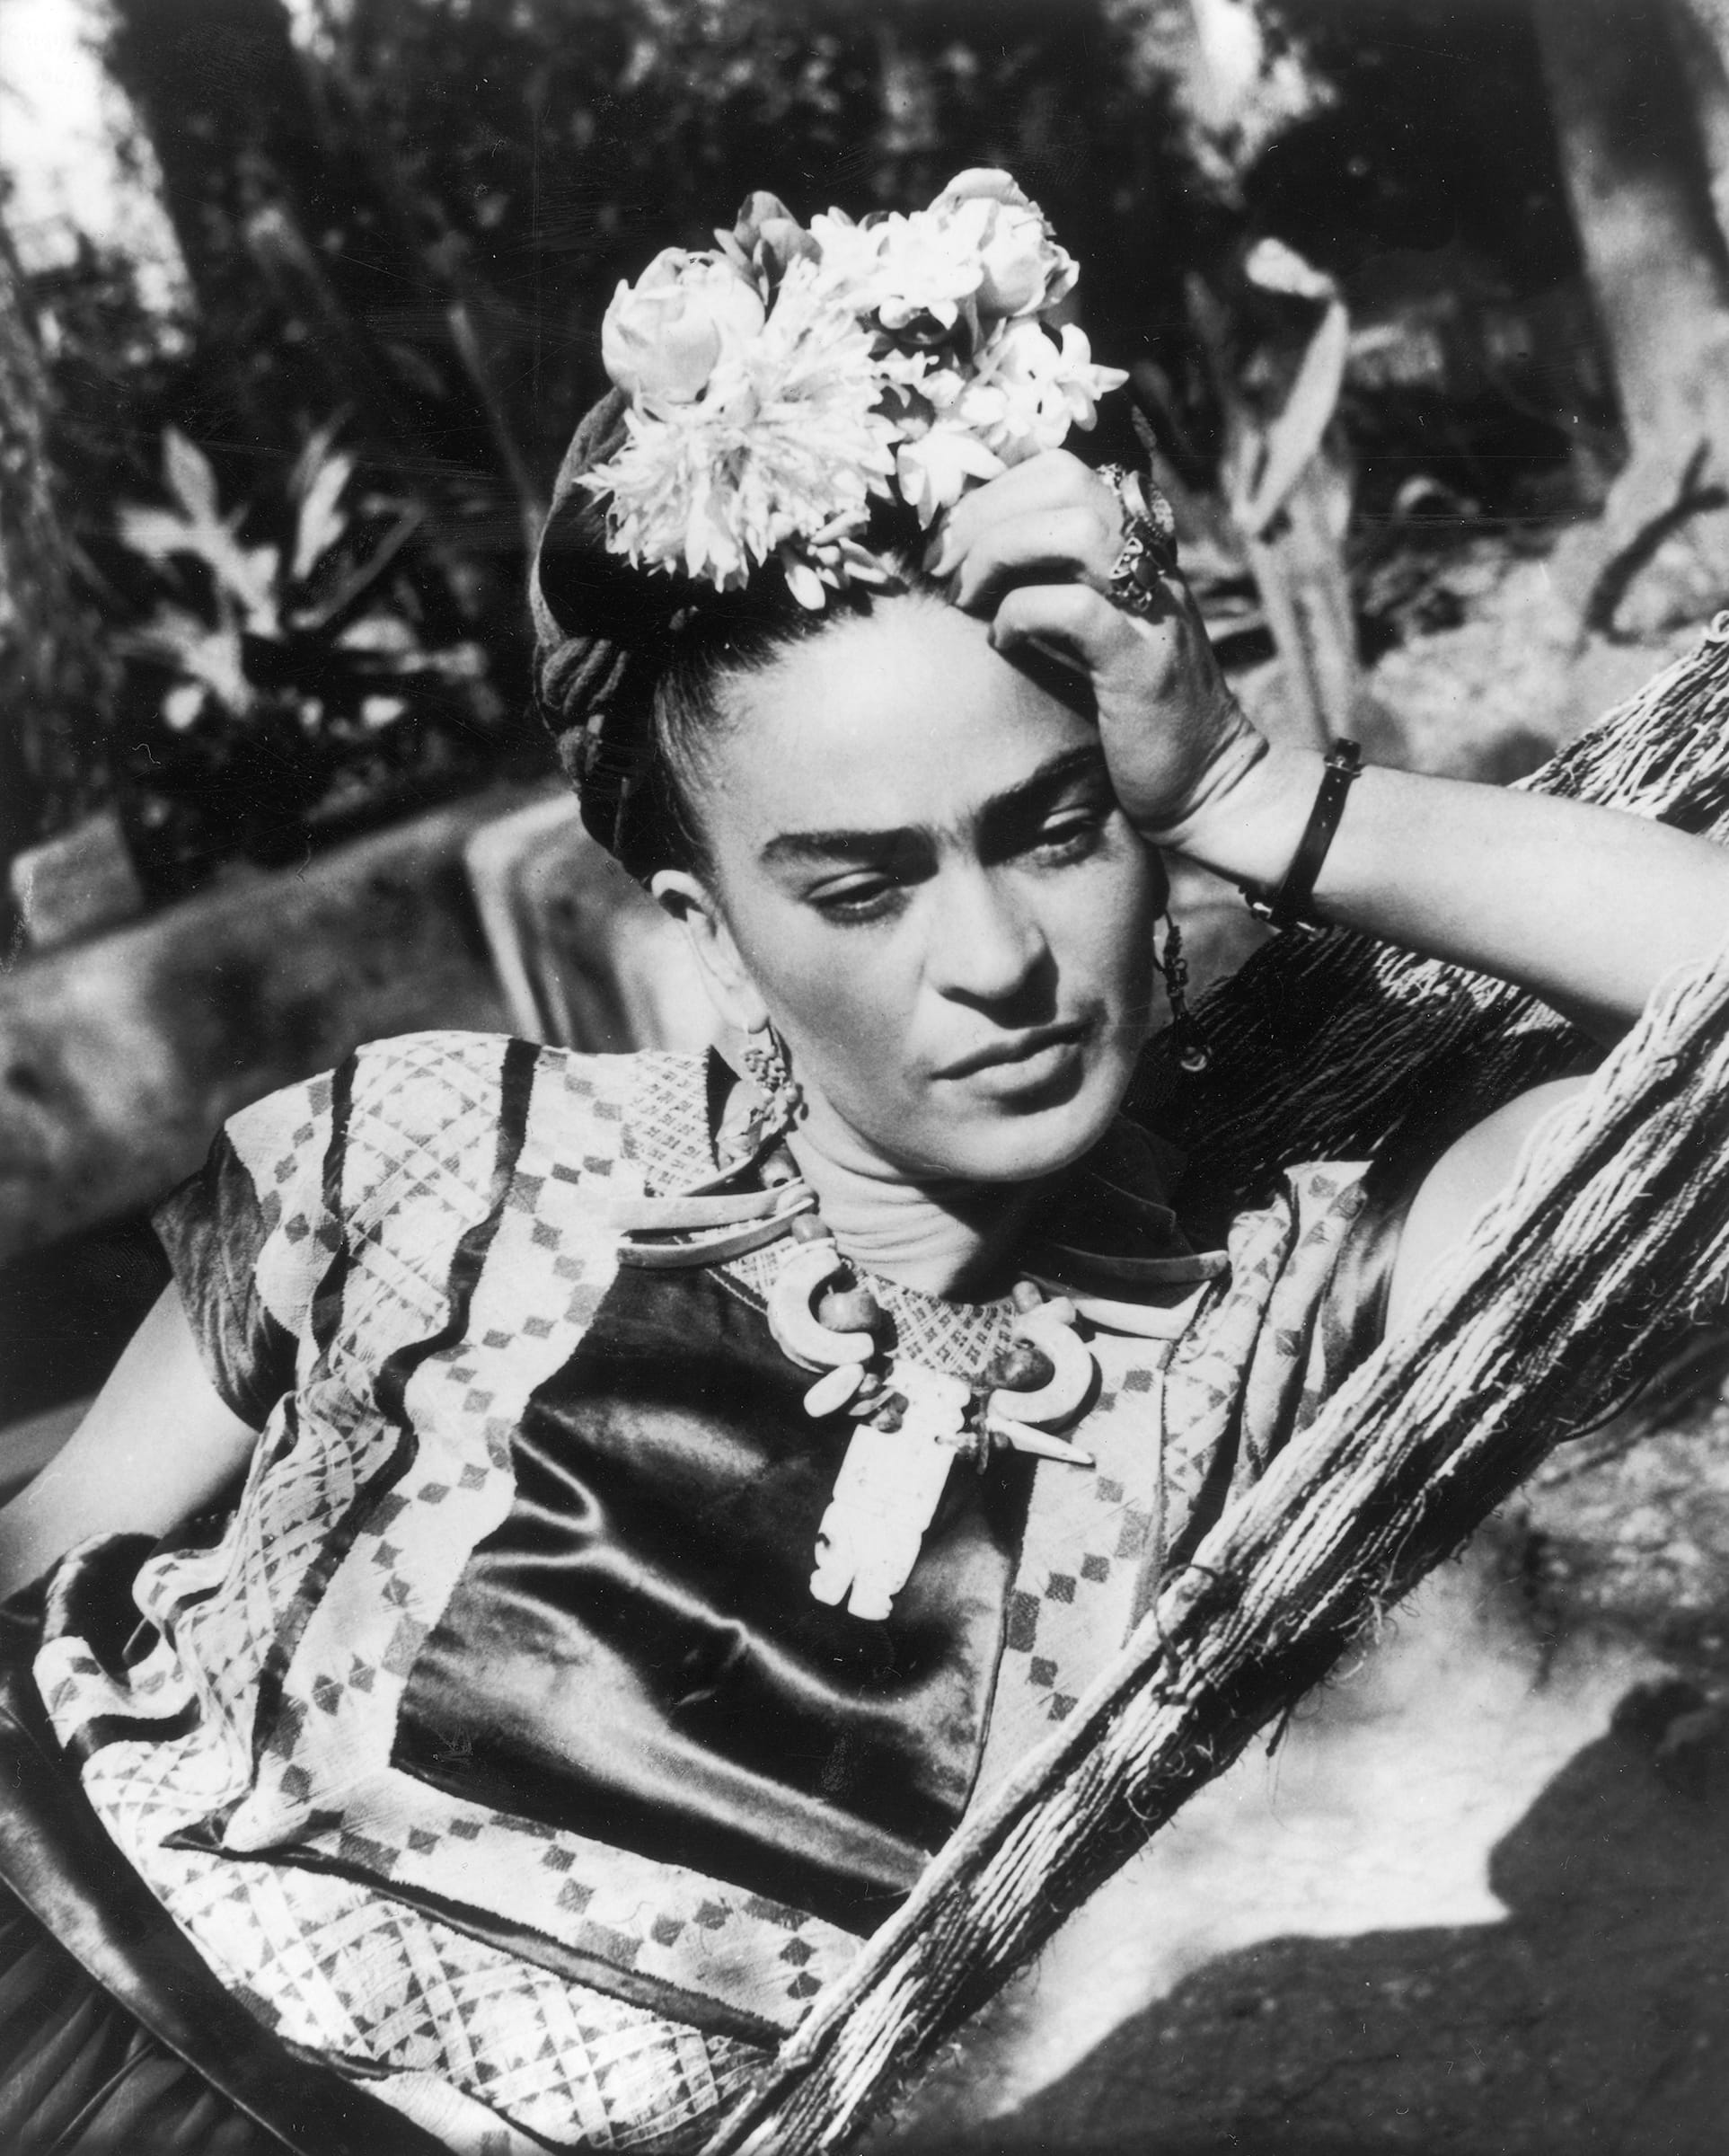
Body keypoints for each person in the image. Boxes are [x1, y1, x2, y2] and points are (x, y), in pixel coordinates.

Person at [0, 172, 1724, 2156]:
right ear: (711, 927)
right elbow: (39, 1555)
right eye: (859, 886)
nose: (991, 961)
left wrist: (1255, 789)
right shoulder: (446, 1152)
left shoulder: (1284, 1325)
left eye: (1057, 830)